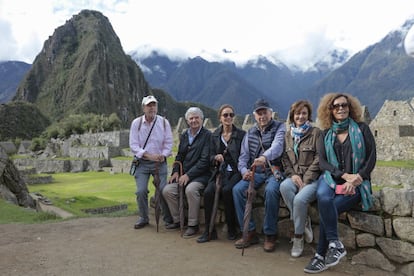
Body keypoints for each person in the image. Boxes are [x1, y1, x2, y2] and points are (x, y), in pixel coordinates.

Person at [304, 93, 376, 273]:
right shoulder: (326, 133)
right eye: (336, 106)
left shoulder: (362, 129)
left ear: (350, 107)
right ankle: (336, 243)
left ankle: (320, 256)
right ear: (330, 110)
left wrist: (358, 177)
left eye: (344, 105)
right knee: (322, 195)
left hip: (357, 183)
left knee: (329, 209)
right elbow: (322, 162)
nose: (341, 108)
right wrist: (345, 176)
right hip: (330, 179)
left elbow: (371, 157)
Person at [232, 98, 285, 253]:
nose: (262, 116)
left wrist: (264, 157)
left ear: (270, 113)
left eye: (265, 112)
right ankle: (249, 231)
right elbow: (243, 156)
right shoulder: (250, 132)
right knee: (237, 190)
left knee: (271, 191)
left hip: (274, 171)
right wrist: (244, 171)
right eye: (259, 113)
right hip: (255, 172)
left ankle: (270, 234)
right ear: (254, 115)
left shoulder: (280, 127)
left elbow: (278, 147)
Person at [197, 104, 246, 243]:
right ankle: (209, 231)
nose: (228, 117)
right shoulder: (215, 136)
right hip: (219, 172)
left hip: (235, 171)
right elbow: (209, 156)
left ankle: (232, 228)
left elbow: (244, 155)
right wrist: (215, 158)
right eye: (225, 115)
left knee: (228, 190)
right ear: (220, 118)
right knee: (208, 192)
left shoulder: (241, 135)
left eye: (231, 115)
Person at [280, 100, 322, 258]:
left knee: (299, 200)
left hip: (313, 179)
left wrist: (307, 179)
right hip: (295, 176)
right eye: (297, 113)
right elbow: (285, 159)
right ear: (292, 116)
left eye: (304, 113)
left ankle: (298, 238)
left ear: (308, 115)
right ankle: (304, 222)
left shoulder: (316, 133)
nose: (300, 116)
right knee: (284, 187)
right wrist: (293, 175)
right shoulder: (287, 135)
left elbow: (319, 158)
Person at [162, 107, 212, 238]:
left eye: (196, 117)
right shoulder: (184, 135)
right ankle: (179, 221)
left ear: (202, 119)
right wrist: (175, 171)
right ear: (187, 120)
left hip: (202, 175)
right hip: (184, 174)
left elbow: (205, 161)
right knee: (168, 190)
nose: (194, 120)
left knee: (191, 190)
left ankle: (193, 225)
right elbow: (179, 156)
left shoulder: (207, 136)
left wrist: (189, 175)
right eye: (191, 118)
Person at [129, 95, 174, 229]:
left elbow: (169, 142)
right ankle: (143, 217)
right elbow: (133, 145)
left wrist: (163, 155)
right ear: (144, 108)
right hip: (142, 163)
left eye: (154, 105)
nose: (152, 108)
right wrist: (148, 156)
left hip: (159, 163)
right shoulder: (136, 124)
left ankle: (167, 218)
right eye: (149, 105)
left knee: (162, 190)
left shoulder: (164, 123)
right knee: (141, 191)